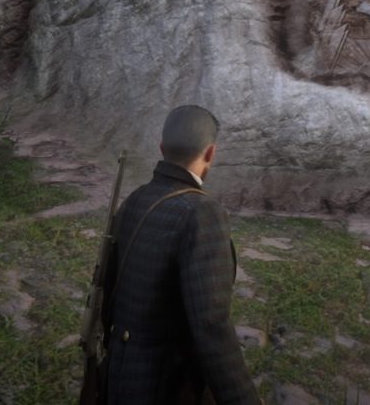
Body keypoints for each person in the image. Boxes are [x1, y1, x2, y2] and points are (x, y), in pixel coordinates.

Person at [104, 105, 261, 405]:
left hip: (120, 377)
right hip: (167, 388)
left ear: (162, 148)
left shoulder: (136, 199)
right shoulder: (202, 213)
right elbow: (212, 327)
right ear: (211, 153)